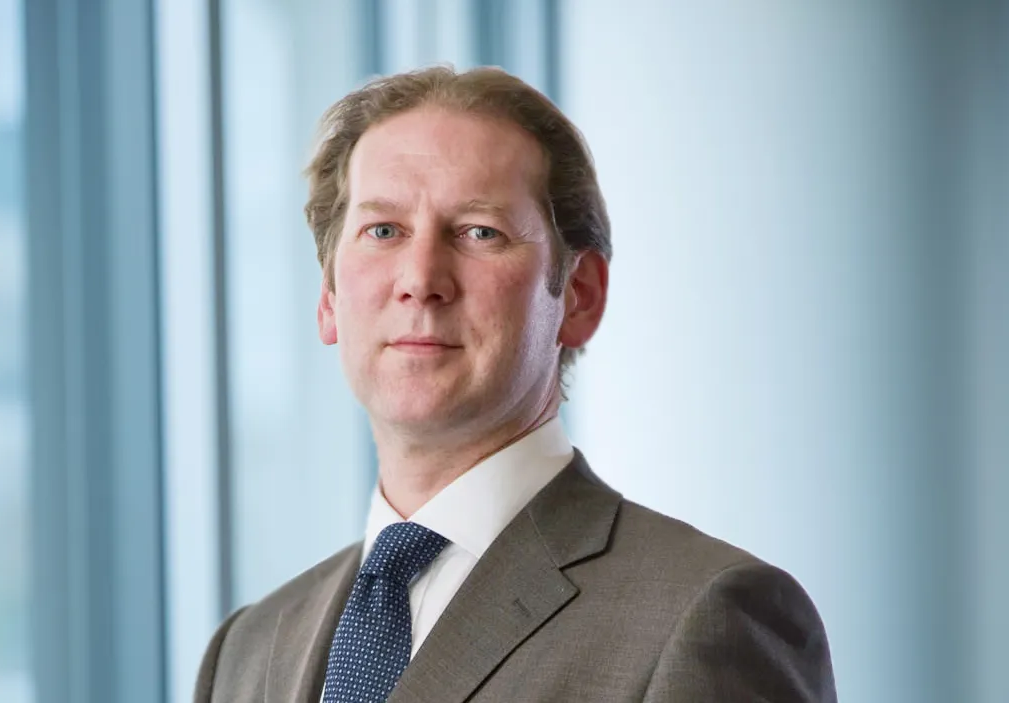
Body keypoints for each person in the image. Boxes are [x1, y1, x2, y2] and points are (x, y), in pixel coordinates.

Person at [194, 65, 837, 702]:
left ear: (579, 295)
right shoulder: (246, 652)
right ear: (329, 299)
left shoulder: (706, 617)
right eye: (383, 231)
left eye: (480, 232)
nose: (420, 279)